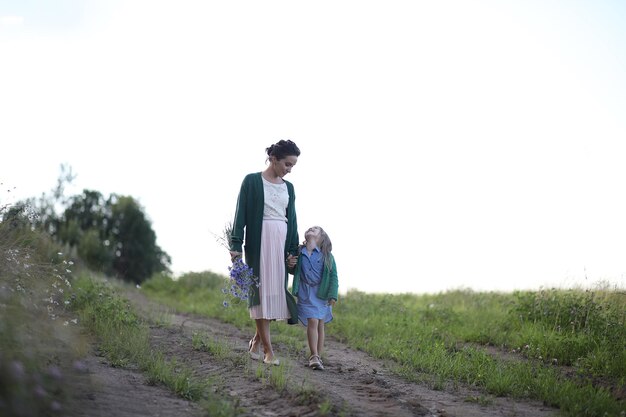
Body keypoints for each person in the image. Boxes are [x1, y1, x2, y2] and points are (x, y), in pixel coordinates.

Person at [229, 139, 300, 366]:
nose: (289, 170)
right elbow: (240, 214)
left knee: (274, 295)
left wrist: (292, 251)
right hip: (259, 242)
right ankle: (269, 352)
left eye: (292, 166)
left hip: (281, 241)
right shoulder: (251, 181)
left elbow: (293, 221)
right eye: (287, 164)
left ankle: (256, 341)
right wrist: (235, 244)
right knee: (260, 294)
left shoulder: (289, 188)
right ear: (273, 159)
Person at [291, 226, 338, 370]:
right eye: (310, 227)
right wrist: (290, 263)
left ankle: (318, 356)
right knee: (313, 321)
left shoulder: (327, 256)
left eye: (316, 229)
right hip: (306, 292)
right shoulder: (299, 252)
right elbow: (293, 269)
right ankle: (314, 356)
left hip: (321, 293)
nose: (311, 228)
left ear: (321, 237)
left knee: (320, 324)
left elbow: (334, 276)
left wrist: (333, 295)